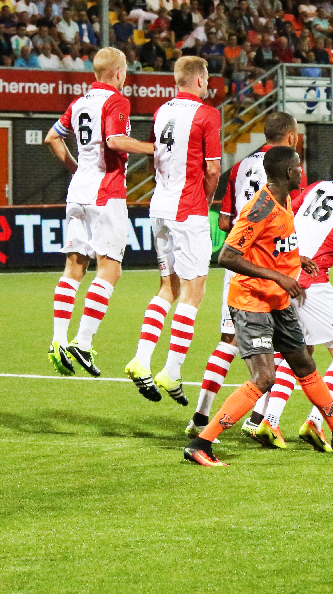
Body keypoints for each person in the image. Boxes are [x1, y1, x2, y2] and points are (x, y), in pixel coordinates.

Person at [184, 147, 333, 465]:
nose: (302, 171)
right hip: (252, 302)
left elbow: (277, 243)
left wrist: (298, 258)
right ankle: (201, 443)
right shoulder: (260, 208)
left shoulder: (286, 200)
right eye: (298, 167)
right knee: (264, 377)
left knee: (304, 365)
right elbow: (227, 257)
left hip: (279, 298)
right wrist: (280, 276)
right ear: (288, 172)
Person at [251, 145, 333, 453]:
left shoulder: (318, 187)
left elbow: (283, 214)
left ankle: (269, 421)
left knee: (299, 351)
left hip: (279, 272)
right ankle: (315, 421)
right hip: (309, 282)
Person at [184, 111, 303, 439]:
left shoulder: (239, 167)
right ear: (291, 137)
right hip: (271, 264)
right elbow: (289, 218)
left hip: (238, 264)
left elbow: (224, 222)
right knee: (283, 343)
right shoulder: (288, 168)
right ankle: (259, 418)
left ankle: (200, 415)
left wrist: (244, 229)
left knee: (228, 340)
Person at [43, 47, 155, 377]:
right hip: (106, 192)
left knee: (74, 266)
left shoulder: (79, 103)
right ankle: (82, 341)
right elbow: (115, 141)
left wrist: (76, 167)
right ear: (119, 73)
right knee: (110, 270)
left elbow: (52, 137)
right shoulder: (116, 100)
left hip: (78, 190)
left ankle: (58, 340)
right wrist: (154, 148)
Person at [125, 56, 222, 405]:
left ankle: (141, 359)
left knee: (168, 287)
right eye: (206, 78)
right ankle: (172, 369)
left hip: (160, 207)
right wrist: (206, 200)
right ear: (199, 80)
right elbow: (213, 169)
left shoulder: (162, 111)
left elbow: (157, 156)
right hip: (188, 209)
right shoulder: (208, 115)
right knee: (194, 291)